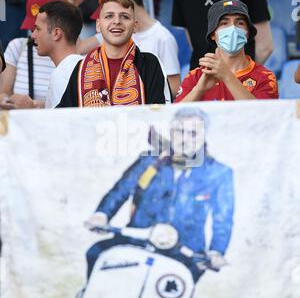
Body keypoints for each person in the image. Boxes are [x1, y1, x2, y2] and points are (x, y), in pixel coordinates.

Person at [85, 107, 234, 282]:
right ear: (171, 131)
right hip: (137, 242)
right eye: (180, 132)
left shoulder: (218, 173)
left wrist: (216, 251)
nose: (185, 139)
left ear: (203, 136)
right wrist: (101, 215)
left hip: (185, 252)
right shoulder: (149, 161)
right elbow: (121, 190)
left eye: (193, 134)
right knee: (97, 254)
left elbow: (223, 218)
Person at [57, 0, 171, 107]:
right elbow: (65, 115)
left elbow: (159, 115)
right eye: (109, 16)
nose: (117, 21)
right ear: (98, 25)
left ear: (135, 26)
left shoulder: (150, 64)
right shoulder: (81, 68)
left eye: (125, 16)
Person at [77, 0, 180, 97]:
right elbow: (79, 48)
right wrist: (73, 7)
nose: (114, 21)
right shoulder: (114, 33)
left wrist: (139, 93)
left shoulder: (162, 37)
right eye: (109, 15)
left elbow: (175, 87)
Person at [175, 0, 278, 102]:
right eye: (224, 23)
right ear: (213, 34)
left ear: (247, 33)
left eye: (240, 23)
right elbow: (173, 115)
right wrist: (199, 89)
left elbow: (263, 115)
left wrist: (227, 76)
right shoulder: (196, 77)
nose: (233, 28)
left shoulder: (265, 77)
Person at [172, 0, 273, 70]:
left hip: (239, 80)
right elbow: (195, 44)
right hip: (200, 77)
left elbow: (264, 46)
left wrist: (241, 76)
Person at [0, 0, 59, 109]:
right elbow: (3, 93)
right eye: (31, 28)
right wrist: (6, 101)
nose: (33, 35)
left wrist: (34, 106)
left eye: (38, 28)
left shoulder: (74, 54)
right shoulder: (17, 46)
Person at [31, 0, 83, 108]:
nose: (33, 35)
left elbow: (60, 122)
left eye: (38, 29)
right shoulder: (85, 67)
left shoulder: (62, 75)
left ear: (56, 33)